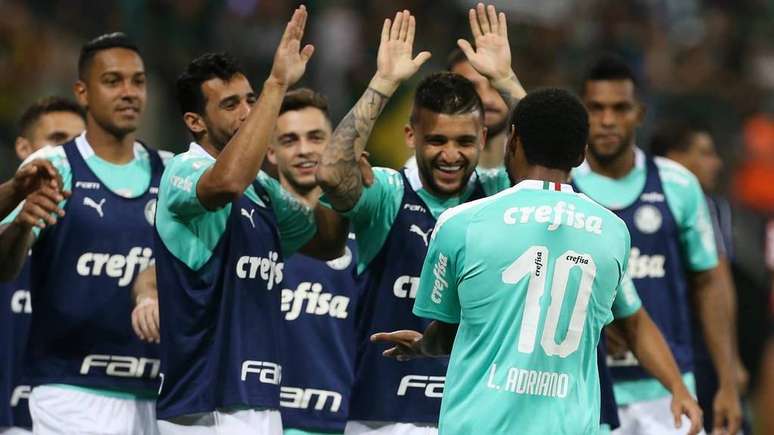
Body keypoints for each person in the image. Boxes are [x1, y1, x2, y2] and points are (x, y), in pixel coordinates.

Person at [372, 87, 631, 434]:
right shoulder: (614, 232)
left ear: (512, 140)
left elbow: (447, 333)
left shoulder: (463, 223)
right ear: (582, 153)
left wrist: (421, 345)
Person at [316, 6, 524, 434]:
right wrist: (384, 83)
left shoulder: (499, 193)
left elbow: (553, 156)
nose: (451, 155)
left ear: (483, 137)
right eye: (437, 140)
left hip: (473, 415)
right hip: (382, 416)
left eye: (465, 141)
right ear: (411, 137)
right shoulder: (389, 194)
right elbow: (331, 174)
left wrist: (505, 81)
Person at [152, 7, 348, 434]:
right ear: (194, 122)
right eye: (230, 104)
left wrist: (338, 184)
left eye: (249, 100)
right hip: (200, 403)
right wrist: (276, 84)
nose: (246, 111)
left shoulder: (264, 191)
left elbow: (329, 242)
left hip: (259, 399)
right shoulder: (183, 171)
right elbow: (227, 182)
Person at [0, 33, 169, 434]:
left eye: (138, 81)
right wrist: (23, 223)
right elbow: (4, 269)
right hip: (69, 389)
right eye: (113, 81)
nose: (129, 92)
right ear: (83, 92)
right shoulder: (55, 164)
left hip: (156, 393)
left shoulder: (171, 171)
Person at [572, 54, 741, 434]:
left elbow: (709, 284)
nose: (608, 120)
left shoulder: (677, 184)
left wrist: (727, 384)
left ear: (640, 113)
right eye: (596, 108)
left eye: (620, 108)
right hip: (588, 387)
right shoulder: (566, 185)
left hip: (668, 391)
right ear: (582, 112)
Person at [267, 88, 362, 435]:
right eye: (290, 140)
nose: (305, 149)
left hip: (347, 423)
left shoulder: (366, 231)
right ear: (270, 152)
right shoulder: (253, 228)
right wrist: (149, 294)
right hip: (263, 421)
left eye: (316, 137)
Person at [650, 123, 749, 433]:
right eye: (704, 153)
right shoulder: (703, 205)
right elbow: (719, 283)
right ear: (674, 158)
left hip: (691, 346)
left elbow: (718, 284)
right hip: (689, 348)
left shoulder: (713, 205)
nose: (716, 163)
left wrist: (731, 362)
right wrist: (730, 364)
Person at [0, 97, 85, 435]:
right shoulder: (11, 221)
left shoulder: (99, 233)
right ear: (24, 147)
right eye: (58, 140)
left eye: (78, 145)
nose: (69, 156)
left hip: (65, 410)